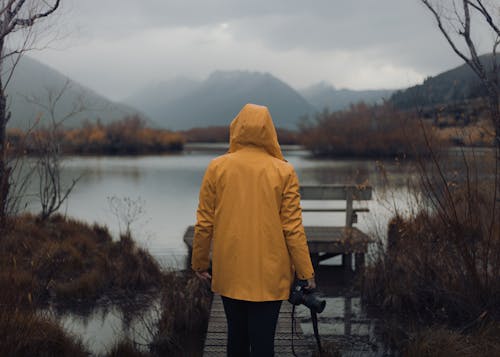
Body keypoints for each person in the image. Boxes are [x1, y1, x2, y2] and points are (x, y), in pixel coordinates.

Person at [191, 103, 316, 357]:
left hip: (229, 271)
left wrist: (200, 263)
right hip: (269, 275)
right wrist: (306, 273)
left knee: (236, 339)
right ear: (269, 131)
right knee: (263, 344)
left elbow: (205, 221)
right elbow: (292, 228)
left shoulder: (217, 167)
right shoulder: (284, 171)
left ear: (236, 129)